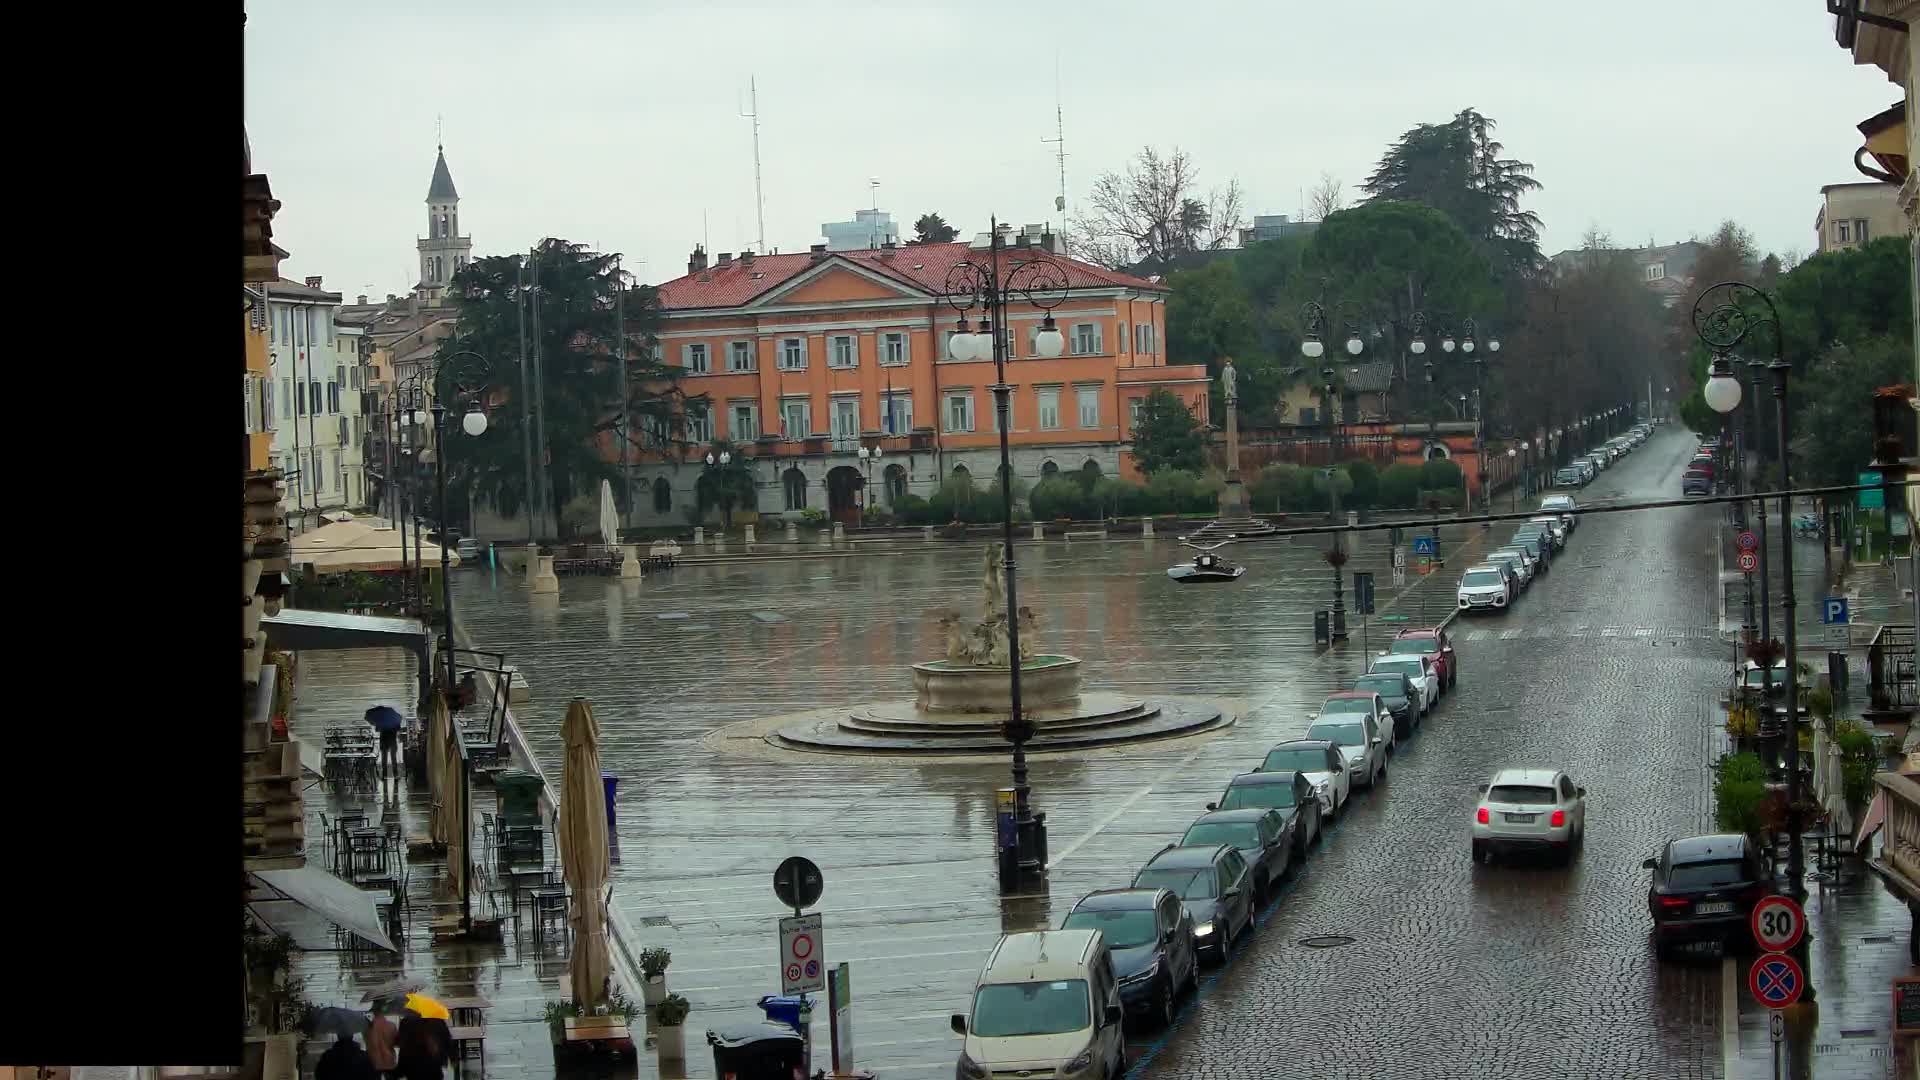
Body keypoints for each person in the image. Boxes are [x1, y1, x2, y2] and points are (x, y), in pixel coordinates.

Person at [395, 1013, 452, 1080]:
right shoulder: (437, 1022)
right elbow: (447, 1039)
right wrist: (452, 1057)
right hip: (433, 1065)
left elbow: (402, 1043)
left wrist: (401, 1067)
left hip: (413, 1065)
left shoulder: (406, 1021)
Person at [366, 1002, 399, 1079]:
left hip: (373, 1062)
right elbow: (396, 1043)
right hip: (389, 1061)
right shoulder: (391, 1025)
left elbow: (368, 1043)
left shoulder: (368, 1028)